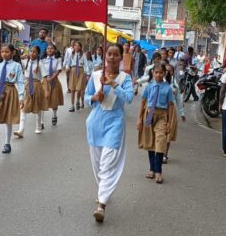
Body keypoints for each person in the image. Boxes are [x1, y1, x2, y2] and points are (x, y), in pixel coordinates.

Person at [84, 43, 134, 223]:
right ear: (105, 56)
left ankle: (101, 205)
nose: (112, 57)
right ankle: (103, 191)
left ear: (121, 57)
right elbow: (85, 97)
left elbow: (129, 98)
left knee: (107, 163)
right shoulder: (96, 76)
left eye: (115, 54)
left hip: (115, 124)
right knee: (98, 165)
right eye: (109, 54)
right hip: (95, 124)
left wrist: (114, 85)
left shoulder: (125, 78)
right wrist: (94, 97)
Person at [137, 62, 176, 184]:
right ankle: (151, 169)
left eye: (161, 73)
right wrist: (139, 119)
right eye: (156, 72)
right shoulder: (149, 86)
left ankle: (158, 171)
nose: (158, 75)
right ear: (153, 73)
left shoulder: (168, 88)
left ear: (165, 73)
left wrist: (169, 122)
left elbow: (170, 106)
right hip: (149, 114)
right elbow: (143, 103)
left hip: (162, 115)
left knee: (160, 141)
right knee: (150, 142)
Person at [16, 46, 45, 138]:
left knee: (38, 108)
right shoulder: (26, 62)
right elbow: (18, 66)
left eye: (34, 52)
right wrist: (20, 57)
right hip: (27, 85)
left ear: (38, 54)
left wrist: (45, 88)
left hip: (37, 85)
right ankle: (21, 130)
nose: (32, 53)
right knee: (23, 107)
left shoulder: (40, 64)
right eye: (31, 51)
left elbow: (44, 76)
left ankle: (38, 126)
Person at [163, 63, 186, 164]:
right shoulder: (159, 82)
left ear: (173, 72)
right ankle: (158, 152)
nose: (168, 73)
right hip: (159, 111)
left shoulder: (174, 84)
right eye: (166, 71)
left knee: (168, 134)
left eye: (170, 71)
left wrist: (182, 113)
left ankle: (165, 154)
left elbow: (179, 99)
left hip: (171, 112)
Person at [41, 44, 64, 127]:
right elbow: (41, 69)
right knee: (43, 100)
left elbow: (58, 70)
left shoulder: (57, 59)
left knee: (54, 100)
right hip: (44, 80)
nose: (49, 50)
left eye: (51, 48)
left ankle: (54, 115)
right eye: (48, 48)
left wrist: (51, 78)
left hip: (54, 81)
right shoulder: (43, 59)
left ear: (55, 50)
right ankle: (41, 121)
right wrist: (45, 78)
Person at [67, 41, 86, 112]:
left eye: (78, 46)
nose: (77, 47)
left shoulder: (83, 55)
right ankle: (72, 105)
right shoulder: (71, 54)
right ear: (74, 47)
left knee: (79, 89)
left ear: (80, 47)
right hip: (73, 70)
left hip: (81, 71)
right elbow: (67, 63)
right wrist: (67, 67)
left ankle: (77, 100)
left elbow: (86, 64)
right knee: (72, 89)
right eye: (75, 45)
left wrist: (86, 74)